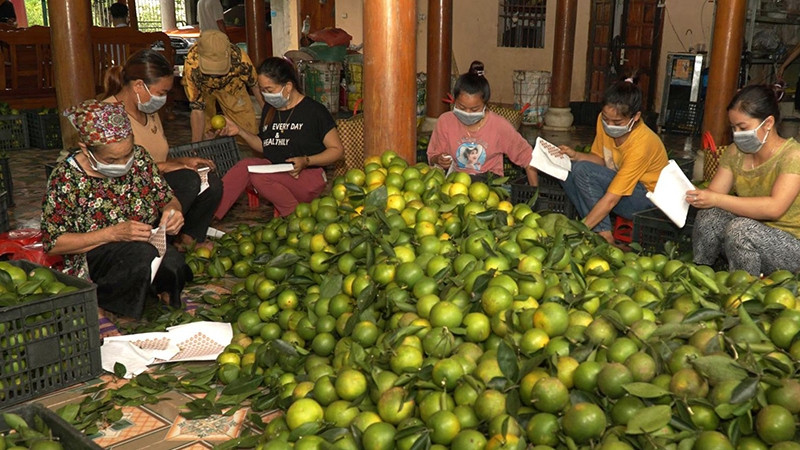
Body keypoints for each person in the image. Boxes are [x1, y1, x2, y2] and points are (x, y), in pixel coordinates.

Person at [41, 100, 192, 334]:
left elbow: (166, 196)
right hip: (94, 254)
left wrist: (173, 211)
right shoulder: (66, 179)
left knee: (174, 264)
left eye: (127, 154)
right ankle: (102, 305)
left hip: (142, 244)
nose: (123, 164)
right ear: (85, 149)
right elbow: (54, 243)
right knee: (142, 255)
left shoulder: (140, 159)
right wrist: (112, 233)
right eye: (112, 160)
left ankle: (157, 293)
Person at [102, 49, 223, 250]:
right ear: (139, 85)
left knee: (210, 182)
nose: (164, 99)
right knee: (188, 180)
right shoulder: (109, 116)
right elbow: (119, 169)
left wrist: (183, 162)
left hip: (155, 181)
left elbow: (157, 158)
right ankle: (154, 240)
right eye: (162, 93)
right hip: (127, 191)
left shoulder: (148, 110)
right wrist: (173, 167)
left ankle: (187, 238)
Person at [690, 85, 800, 276]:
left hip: (790, 244)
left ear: (768, 123)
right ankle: (702, 274)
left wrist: (715, 199)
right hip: (748, 232)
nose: (737, 133)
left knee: (740, 229)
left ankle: (743, 291)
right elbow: (715, 194)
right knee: (710, 216)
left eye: (743, 127)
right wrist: (696, 196)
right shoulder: (735, 152)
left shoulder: (793, 156)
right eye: (733, 127)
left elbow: (774, 208)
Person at [214, 57, 344, 217]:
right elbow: (265, 145)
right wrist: (239, 131)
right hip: (276, 170)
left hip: (308, 175)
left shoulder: (314, 111)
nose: (265, 95)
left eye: (269, 90)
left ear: (288, 87)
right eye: (263, 90)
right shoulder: (270, 109)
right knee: (244, 166)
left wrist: (306, 160)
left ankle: (294, 216)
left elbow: (337, 150)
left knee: (259, 176)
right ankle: (206, 218)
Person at [553, 78, 668, 244]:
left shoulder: (642, 144)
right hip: (622, 189)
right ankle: (598, 231)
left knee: (583, 171)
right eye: (606, 119)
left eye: (617, 122)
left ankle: (604, 237)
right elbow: (600, 159)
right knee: (567, 170)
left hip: (648, 202)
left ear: (635, 117)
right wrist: (575, 156)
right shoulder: (603, 120)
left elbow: (611, 199)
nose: (609, 125)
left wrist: (577, 232)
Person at [426, 61, 537, 186]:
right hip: (455, 184)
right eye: (461, 107)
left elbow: (527, 158)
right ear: (454, 101)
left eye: (474, 109)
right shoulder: (445, 121)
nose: (467, 113)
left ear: (485, 105)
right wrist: (439, 159)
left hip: (489, 185)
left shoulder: (499, 126)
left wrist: (535, 195)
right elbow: (433, 156)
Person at [183, 30, 263, 143]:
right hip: (203, 88)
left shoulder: (240, 59)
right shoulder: (192, 64)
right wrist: (196, 146)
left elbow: (256, 87)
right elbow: (197, 109)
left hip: (231, 85)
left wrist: (269, 119)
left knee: (248, 130)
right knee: (205, 131)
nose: (214, 74)